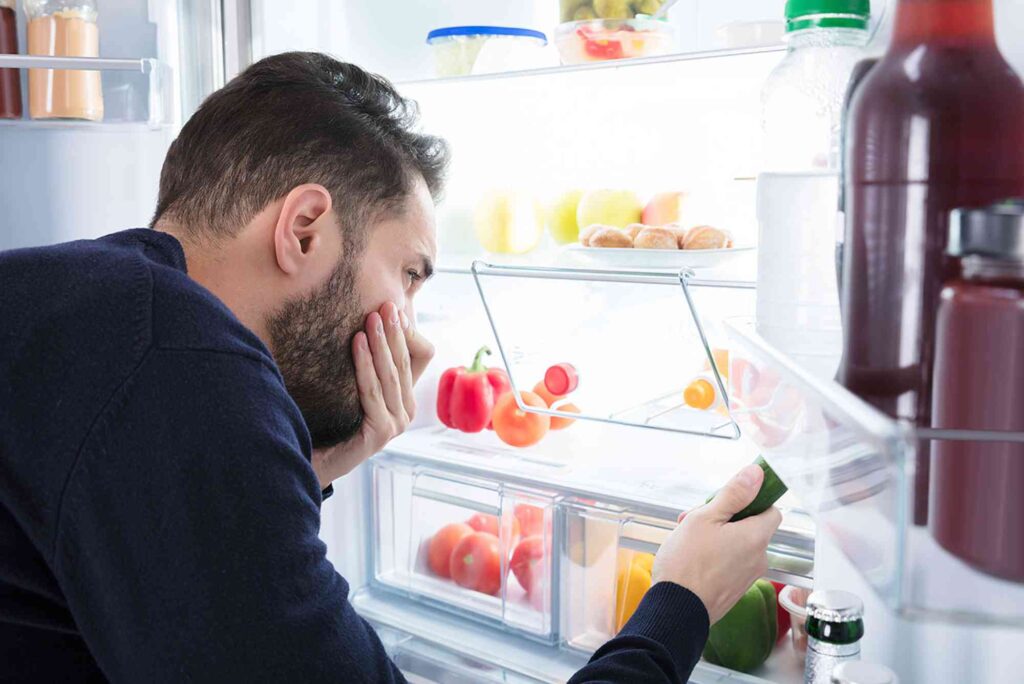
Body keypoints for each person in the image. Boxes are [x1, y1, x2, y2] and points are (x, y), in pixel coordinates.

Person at [0, 52, 781, 683]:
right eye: (409, 274)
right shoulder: (183, 364)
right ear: (305, 229)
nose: (413, 330)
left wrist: (313, 464)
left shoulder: (95, 305)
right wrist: (680, 601)